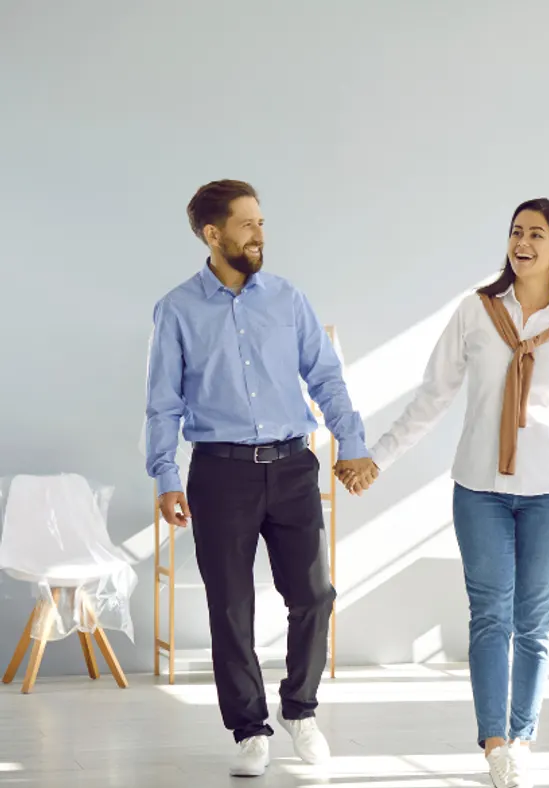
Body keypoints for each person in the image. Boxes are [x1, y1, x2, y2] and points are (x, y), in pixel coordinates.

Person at [336, 198, 549, 788]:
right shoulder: (476, 312)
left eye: (536, 233)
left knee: (532, 623)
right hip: (479, 489)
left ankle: (523, 739)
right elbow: (432, 397)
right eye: (515, 232)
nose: (522, 242)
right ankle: (495, 744)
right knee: (489, 618)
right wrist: (376, 458)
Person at [144, 180, 378, 778]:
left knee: (315, 595)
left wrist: (351, 444)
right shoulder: (175, 309)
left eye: (262, 222)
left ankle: (300, 710)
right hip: (219, 475)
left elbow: (327, 380)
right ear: (212, 234)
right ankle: (249, 729)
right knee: (230, 606)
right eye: (247, 224)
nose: (259, 234)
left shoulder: (288, 300)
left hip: (293, 465)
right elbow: (162, 404)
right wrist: (166, 476)